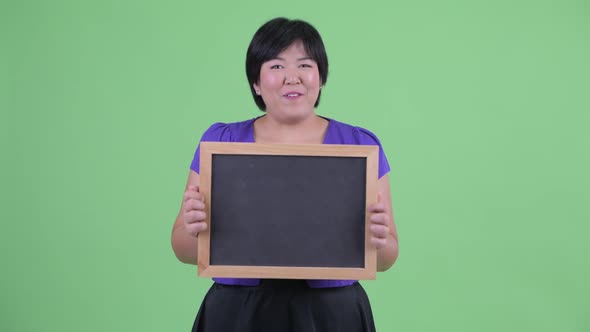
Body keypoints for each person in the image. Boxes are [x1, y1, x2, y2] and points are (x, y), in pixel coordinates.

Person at [171, 17, 399, 332]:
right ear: (256, 82)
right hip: (238, 311)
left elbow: (387, 257)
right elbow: (182, 247)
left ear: (320, 77)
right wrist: (194, 228)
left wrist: (377, 238)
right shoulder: (221, 143)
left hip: (332, 314)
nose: (292, 77)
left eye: (305, 65)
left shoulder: (359, 145)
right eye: (276, 66)